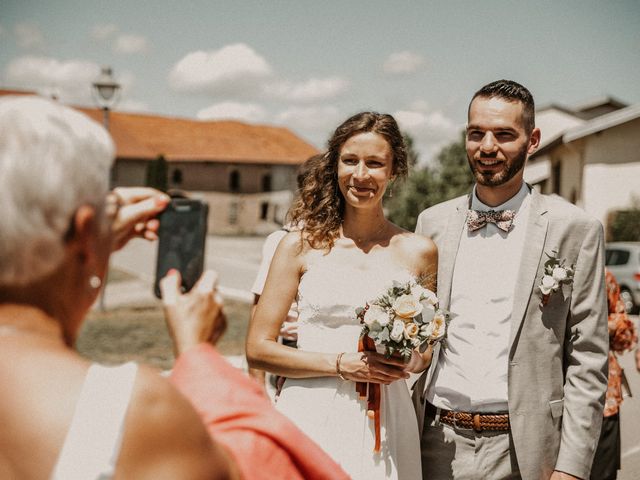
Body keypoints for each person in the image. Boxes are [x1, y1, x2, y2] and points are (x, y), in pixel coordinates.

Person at [0, 96, 348, 480]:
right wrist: (197, 354)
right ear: (84, 233)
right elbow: (265, 466)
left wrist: (86, 239)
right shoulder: (124, 410)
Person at [412, 80, 609, 480]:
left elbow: (588, 355)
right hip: (433, 440)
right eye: (476, 133)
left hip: (526, 449)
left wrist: (571, 468)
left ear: (532, 140)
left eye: (504, 134)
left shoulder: (575, 228)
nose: (487, 147)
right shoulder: (430, 224)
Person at [246, 111, 437, 479]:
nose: (361, 175)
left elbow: (423, 354)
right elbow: (258, 348)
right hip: (309, 410)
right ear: (334, 166)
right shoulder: (298, 247)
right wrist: (340, 364)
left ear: (393, 170)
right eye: (350, 161)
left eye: (375, 163)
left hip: (388, 419)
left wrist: (405, 357)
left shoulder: (419, 251)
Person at [248, 154, 324, 387]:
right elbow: (258, 309)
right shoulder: (283, 241)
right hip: (296, 348)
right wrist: (257, 383)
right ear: (310, 195)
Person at [591, 269, 637, 480]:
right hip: (598, 396)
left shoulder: (602, 275)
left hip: (604, 398)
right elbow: (625, 335)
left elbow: (624, 334)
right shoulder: (601, 273)